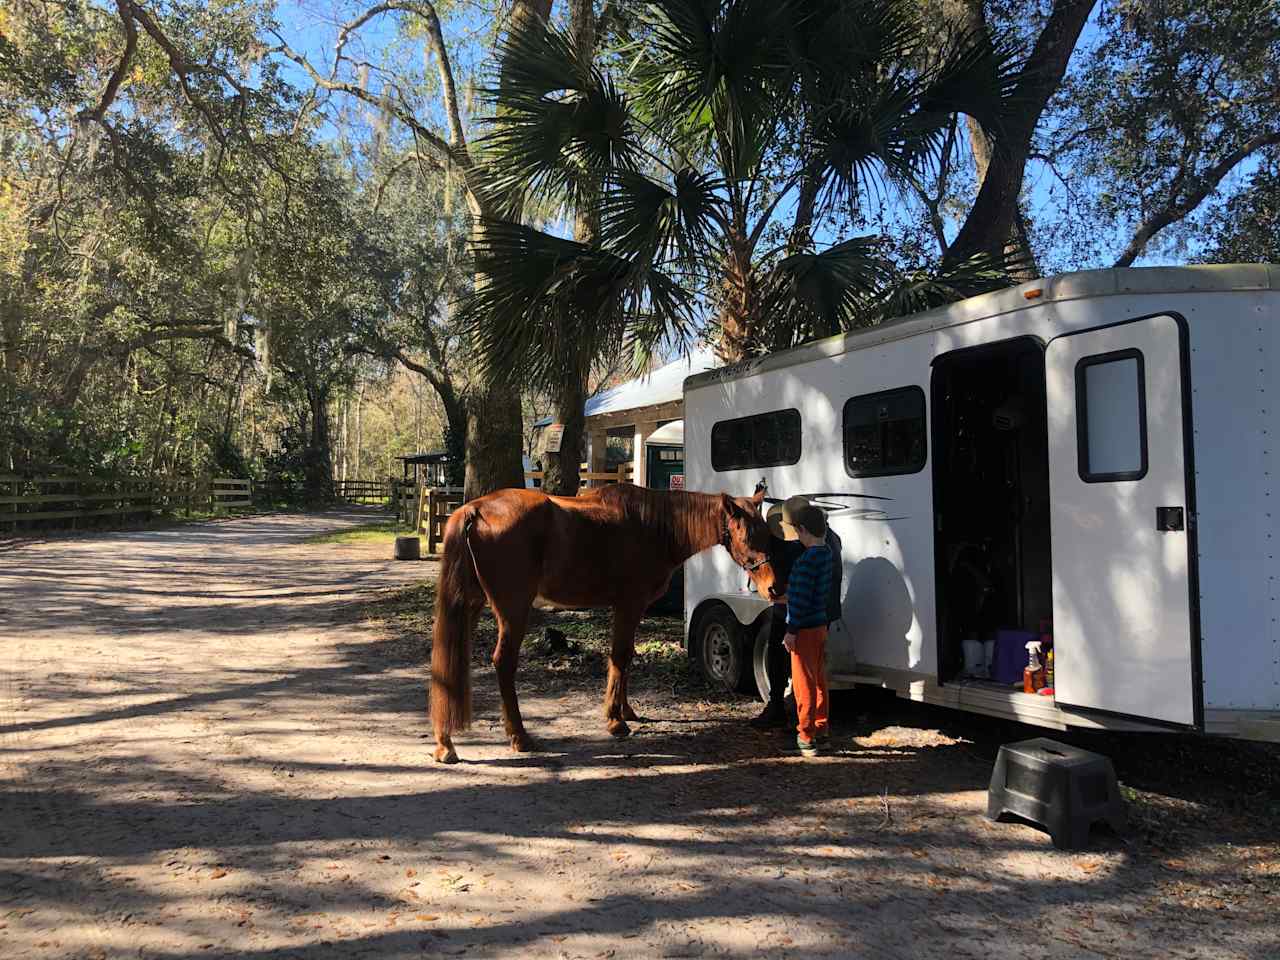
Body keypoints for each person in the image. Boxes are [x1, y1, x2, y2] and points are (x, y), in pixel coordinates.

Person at [779, 502, 832, 757]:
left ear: (802, 529)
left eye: (797, 532)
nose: (797, 537)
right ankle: (822, 728)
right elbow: (808, 593)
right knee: (820, 680)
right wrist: (788, 597)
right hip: (820, 625)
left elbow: (799, 600)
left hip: (804, 630)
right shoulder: (827, 554)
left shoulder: (805, 560)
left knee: (803, 684)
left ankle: (806, 736)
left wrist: (791, 630)